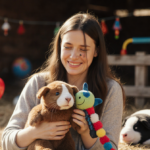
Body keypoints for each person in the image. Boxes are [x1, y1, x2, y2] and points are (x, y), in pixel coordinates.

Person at [2, 13, 125, 150]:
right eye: (67, 46)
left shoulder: (111, 89)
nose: (73, 56)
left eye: (83, 49)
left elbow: (111, 147)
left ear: (96, 51)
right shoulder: (38, 83)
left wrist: (86, 133)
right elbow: (6, 142)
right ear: (59, 46)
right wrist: (34, 132)